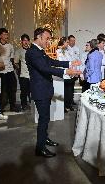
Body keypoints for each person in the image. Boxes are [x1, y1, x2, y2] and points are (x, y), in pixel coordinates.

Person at [25, 28, 81, 157]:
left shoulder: (40, 51)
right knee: (43, 119)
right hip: (40, 90)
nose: (48, 42)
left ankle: (44, 138)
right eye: (47, 39)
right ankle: (40, 148)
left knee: (46, 117)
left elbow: (51, 62)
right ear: (38, 37)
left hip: (45, 89)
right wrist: (66, 72)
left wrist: (69, 63)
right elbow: (44, 68)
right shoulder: (32, 52)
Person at [0, 28, 20, 112]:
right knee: (2, 90)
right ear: (0, 35)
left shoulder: (10, 46)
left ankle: (12, 106)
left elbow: (12, 58)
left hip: (10, 70)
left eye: (7, 34)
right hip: (1, 71)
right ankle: (0, 108)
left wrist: (16, 67)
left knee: (12, 88)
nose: (7, 36)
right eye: (5, 34)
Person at [56, 37, 74, 112]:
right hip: (63, 73)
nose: (68, 43)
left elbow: (71, 61)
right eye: (67, 42)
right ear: (63, 43)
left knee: (69, 91)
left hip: (70, 74)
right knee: (64, 91)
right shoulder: (58, 51)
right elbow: (59, 62)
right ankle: (63, 106)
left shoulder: (68, 51)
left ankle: (68, 104)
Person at [14, 34, 31, 110]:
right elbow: (16, 62)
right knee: (24, 90)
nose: (26, 42)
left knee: (32, 90)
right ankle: (23, 104)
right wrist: (19, 69)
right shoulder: (19, 51)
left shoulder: (32, 50)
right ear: (21, 41)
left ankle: (32, 104)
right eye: (24, 40)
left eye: (27, 40)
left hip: (32, 74)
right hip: (23, 74)